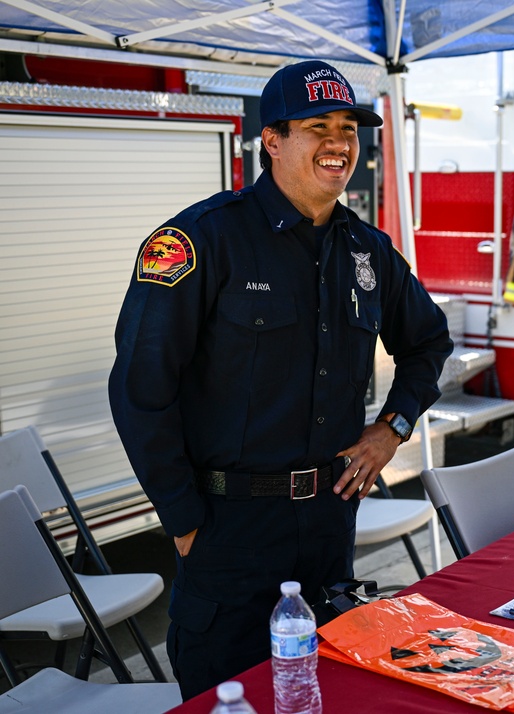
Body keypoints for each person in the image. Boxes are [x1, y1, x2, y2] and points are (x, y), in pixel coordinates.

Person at [108, 60, 453, 699]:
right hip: (227, 531)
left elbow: (430, 342)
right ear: (272, 139)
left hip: (329, 528)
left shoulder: (367, 251)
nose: (339, 143)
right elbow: (139, 388)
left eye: (349, 128)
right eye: (317, 126)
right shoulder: (200, 240)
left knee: (327, 695)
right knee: (227, 700)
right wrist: (183, 520)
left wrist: (390, 430)